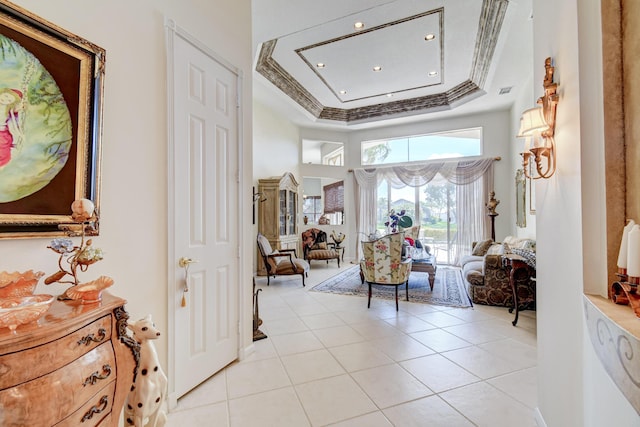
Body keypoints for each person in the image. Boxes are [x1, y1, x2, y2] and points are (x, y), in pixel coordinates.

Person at [0, 88, 23, 167]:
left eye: (9, 100)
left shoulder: (8, 110)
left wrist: (18, 109)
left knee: (3, 149)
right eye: (6, 96)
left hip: (2, 132)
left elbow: (14, 115)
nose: (5, 100)